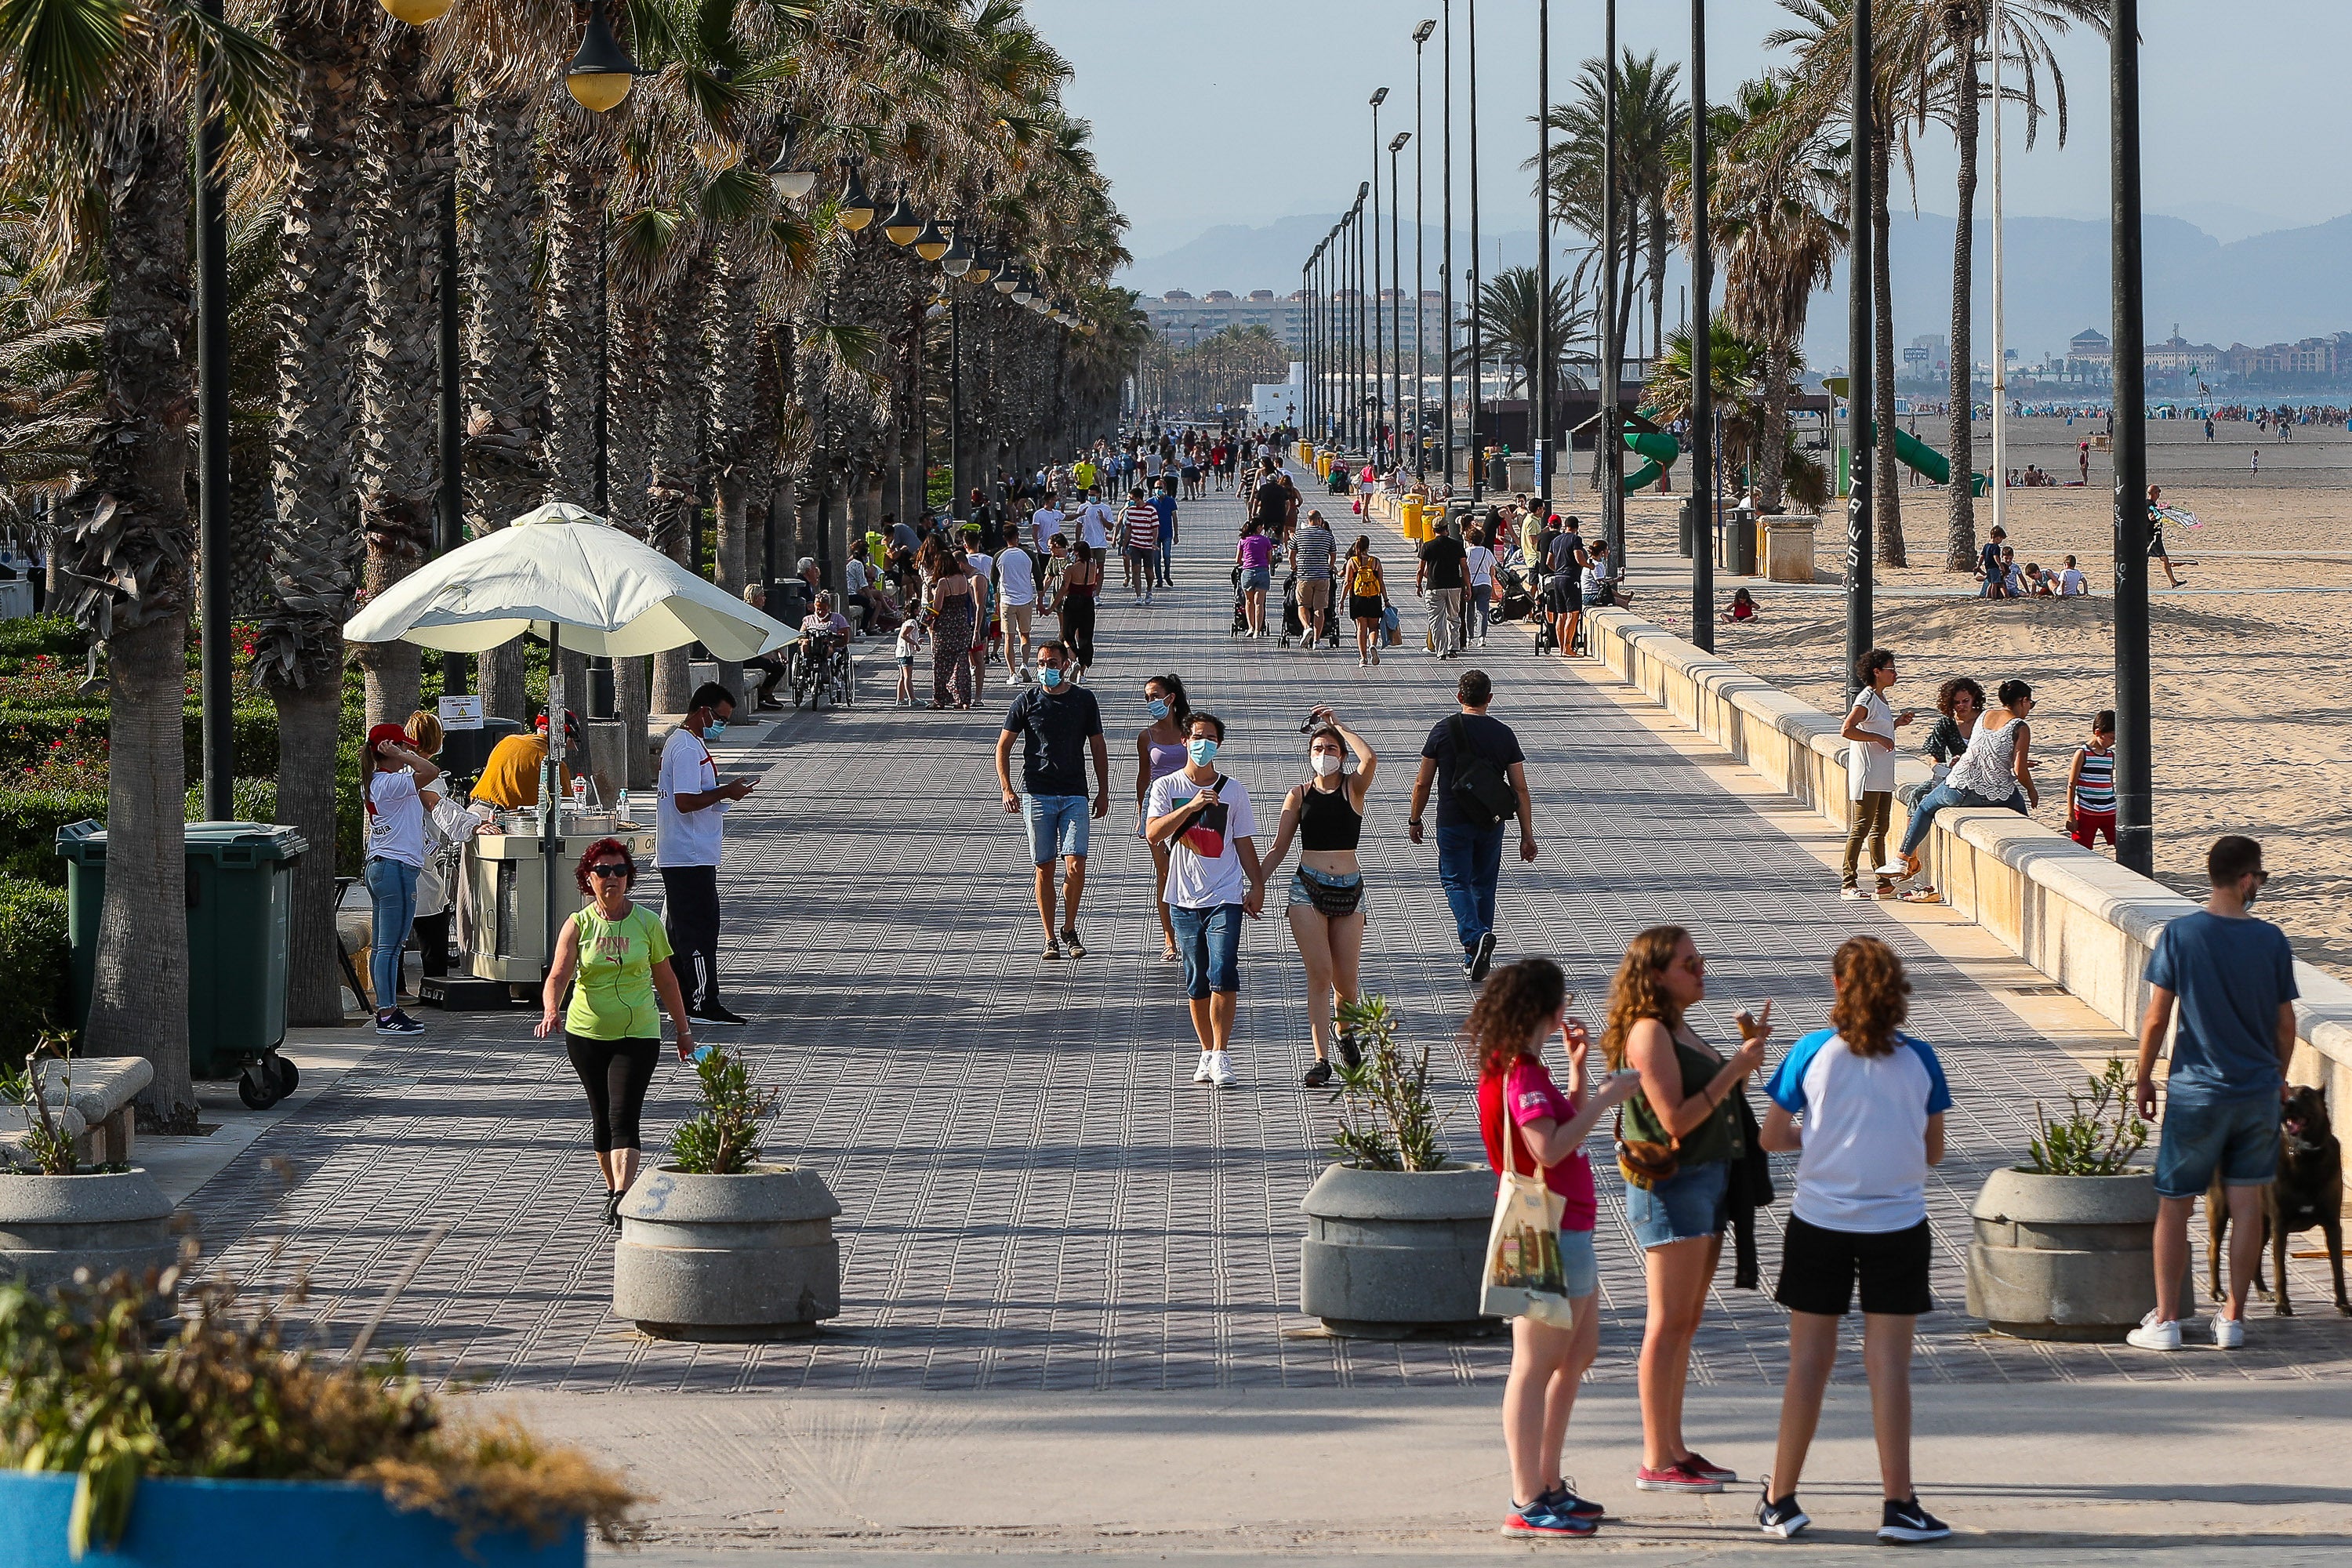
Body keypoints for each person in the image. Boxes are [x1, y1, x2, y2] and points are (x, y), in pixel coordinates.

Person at [1756, 936, 1953, 1544]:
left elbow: (1771, 1137)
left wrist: (1817, 1143)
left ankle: (1780, 1499)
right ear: (1897, 991)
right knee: (1889, 1364)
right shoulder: (1920, 1058)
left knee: (1808, 1364)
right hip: (1898, 1224)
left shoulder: (1812, 1051)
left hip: (1820, 1221)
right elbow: (1933, 1151)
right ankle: (1899, 1505)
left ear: (1838, 988)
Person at [1472, 958, 1643, 1537]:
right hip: (1542, 1231)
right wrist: (1603, 1098)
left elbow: (1551, 1128)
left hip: (1565, 1228)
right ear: (1546, 1010)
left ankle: (1547, 1480)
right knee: (1535, 1364)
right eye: (1562, 1003)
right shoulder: (1518, 1074)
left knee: (1578, 1352)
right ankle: (1527, 1496)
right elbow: (1546, 1149)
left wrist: (1575, 1077)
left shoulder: (1523, 1069)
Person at [1602, 925, 1770, 1494]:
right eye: (1687, 964)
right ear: (1654, 976)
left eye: (1699, 960)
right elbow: (1674, 1119)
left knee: (1685, 1321)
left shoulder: (1679, 1024)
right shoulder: (1648, 1032)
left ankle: (1675, 1447)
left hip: (1709, 1180)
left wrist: (1738, 1065)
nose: (1700, 970)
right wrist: (1736, 1069)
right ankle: (1655, 1457)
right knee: (1666, 1322)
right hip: (1674, 1186)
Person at [2127, 835, 2298, 1353]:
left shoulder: (2180, 936)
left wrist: (2142, 1075)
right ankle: (2233, 1319)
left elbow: (2157, 1017)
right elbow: (2285, 1025)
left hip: (2196, 1092)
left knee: (2175, 1206)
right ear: (2246, 879)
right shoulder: (2271, 941)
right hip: (2254, 1092)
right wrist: (2277, 1075)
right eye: (2260, 878)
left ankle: (2168, 1321)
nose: (2259, 886)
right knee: (2247, 1205)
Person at [535, 838, 695, 1230]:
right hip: (586, 1032)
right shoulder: (578, 924)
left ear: (629, 878)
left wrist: (683, 1028)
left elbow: (666, 979)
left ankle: (624, 1194)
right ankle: (612, 1189)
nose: (612, 878)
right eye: (603, 871)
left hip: (639, 1032)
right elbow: (558, 975)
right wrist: (551, 1009)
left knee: (625, 1112)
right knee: (602, 1116)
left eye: (620, 871)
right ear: (588, 879)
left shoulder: (647, 922)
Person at [1143, 711, 1266, 1091]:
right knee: (1196, 977)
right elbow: (1152, 832)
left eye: (1210, 738)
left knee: (1224, 971)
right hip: (1182, 896)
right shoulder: (1166, 786)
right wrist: (1191, 807)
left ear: (1219, 744)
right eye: (1197, 736)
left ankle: (1222, 1054)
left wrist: (1257, 884)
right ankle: (1206, 1050)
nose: (1203, 743)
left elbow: (1243, 841)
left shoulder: (1234, 791)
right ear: (1184, 741)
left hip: (1225, 894)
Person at [1257, 707, 1377, 1087]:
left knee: (1347, 980)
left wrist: (1339, 724)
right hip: (1307, 888)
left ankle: (1345, 1034)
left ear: (1342, 755)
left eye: (1331, 748)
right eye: (1317, 747)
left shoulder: (1352, 789)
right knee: (1320, 974)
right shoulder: (1298, 795)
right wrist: (1256, 884)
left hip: (1349, 890)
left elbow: (1370, 758)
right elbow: (1278, 847)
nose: (1323, 753)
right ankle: (1321, 1058)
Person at [1409, 668, 1537, 981]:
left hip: (1452, 820)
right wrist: (1526, 834)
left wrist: (1415, 818)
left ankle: (1474, 938)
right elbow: (1520, 787)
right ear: (1490, 699)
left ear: (1459, 697)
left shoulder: (1442, 730)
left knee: (1455, 881)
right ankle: (1475, 955)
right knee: (1484, 885)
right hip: (1491, 821)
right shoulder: (1504, 734)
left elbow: (1422, 782)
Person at [996, 641, 1111, 962]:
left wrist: (1103, 790)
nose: (1047, 668)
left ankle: (1070, 928)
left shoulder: (1084, 700)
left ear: (1065, 664)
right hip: (1038, 793)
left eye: (1053, 662)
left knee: (1076, 864)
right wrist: (1007, 788)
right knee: (1044, 868)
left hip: (1075, 792)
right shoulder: (1026, 701)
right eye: (1042, 662)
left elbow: (1098, 747)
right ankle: (1050, 937)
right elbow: (1003, 747)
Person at [656, 683, 756, 1025]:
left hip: (690, 852)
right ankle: (702, 1002)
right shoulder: (685, 747)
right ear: (702, 711)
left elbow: (693, 794)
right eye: (720, 718)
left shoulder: (689, 743)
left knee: (680, 929)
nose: (721, 725)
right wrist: (725, 791)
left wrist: (724, 793)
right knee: (698, 930)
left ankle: (682, 998)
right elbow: (684, 802)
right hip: (688, 854)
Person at [1884, 678, 2035, 889]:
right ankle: (2030, 859)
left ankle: (1903, 857)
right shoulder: (2020, 726)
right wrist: (2031, 790)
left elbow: (1984, 751)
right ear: (2024, 701)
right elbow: (2019, 771)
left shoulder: (1985, 716)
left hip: (1957, 785)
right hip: (1994, 790)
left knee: (1926, 806)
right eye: (2031, 704)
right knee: (2021, 813)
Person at [361, 722, 440, 1035]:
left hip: (382, 867)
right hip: (395, 869)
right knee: (390, 946)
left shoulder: (379, 782)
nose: (408, 751)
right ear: (387, 749)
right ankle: (387, 1013)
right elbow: (430, 769)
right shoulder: (390, 784)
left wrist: (400, 755)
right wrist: (402, 756)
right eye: (402, 747)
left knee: (383, 947)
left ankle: (386, 1009)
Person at [1839, 648, 1915, 901]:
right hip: (1868, 774)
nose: (1895, 674)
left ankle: (1882, 883)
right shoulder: (1866, 698)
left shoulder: (1880, 700)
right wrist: (1878, 737)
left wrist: (1896, 725)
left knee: (1880, 828)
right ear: (1877, 672)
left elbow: (1876, 726)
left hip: (1882, 774)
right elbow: (1847, 730)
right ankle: (1848, 883)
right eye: (1891, 669)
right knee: (1860, 827)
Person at [1134, 673, 1193, 963]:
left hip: (1190, 806)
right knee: (1166, 873)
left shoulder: (1191, 732)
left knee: (1192, 870)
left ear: (1170, 698)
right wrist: (1141, 814)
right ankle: (1170, 939)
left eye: (1155, 696)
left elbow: (1205, 769)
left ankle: (1193, 933)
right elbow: (1143, 777)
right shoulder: (1146, 736)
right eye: (1147, 698)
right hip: (1157, 809)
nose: (1150, 702)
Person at [470, 710, 579, 814]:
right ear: (564, 738)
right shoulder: (554, 763)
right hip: (497, 821)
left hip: (474, 811)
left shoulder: (509, 740)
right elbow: (565, 807)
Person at [924, 539, 980, 709]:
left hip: (945, 626)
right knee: (961, 662)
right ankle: (963, 699)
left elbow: (937, 607)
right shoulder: (963, 578)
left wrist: (932, 592)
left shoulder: (943, 582)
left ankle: (940, 698)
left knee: (941, 662)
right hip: (961, 623)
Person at [1417, 514, 1468, 658]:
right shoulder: (1457, 545)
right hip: (1454, 587)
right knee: (1454, 617)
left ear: (1434, 530)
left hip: (1434, 587)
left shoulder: (1427, 546)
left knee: (1436, 620)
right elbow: (1464, 567)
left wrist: (1418, 584)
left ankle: (1441, 652)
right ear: (1447, 529)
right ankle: (1453, 648)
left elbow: (1421, 569)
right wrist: (1468, 587)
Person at [2066, 709, 2118, 850]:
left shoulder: (2110, 755)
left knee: (2123, 844)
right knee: (2082, 848)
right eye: (2111, 737)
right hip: (2086, 810)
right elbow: (2072, 784)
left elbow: (2109, 781)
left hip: (2109, 809)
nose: (2113, 742)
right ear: (2098, 732)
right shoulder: (2083, 753)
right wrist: (2071, 814)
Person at [996, 521, 1039, 683]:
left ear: (1004, 538)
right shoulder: (1028, 554)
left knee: (1009, 637)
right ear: (1017, 537)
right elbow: (1038, 577)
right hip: (1026, 599)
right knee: (1025, 635)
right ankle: (1025, 664)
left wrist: (995, 603)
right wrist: (1040, 598)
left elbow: (993, 581)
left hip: (1007, 600)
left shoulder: (999, 556)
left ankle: (1012, 673)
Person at [1292, 507, 1337, 648]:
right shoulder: (1328, 536)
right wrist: (1328, 568)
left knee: (1303, 605)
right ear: (1319, 520)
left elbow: (1291, 554)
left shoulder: (1299, 535)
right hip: (1322, 577)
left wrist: (1294, 567)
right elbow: (1333, 556)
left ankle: (1306, 628)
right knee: (1319, 609)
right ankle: (1317, 641)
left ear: (1308, 520)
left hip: (1304, 575)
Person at [1544, 517, 1589, 655]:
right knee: (1573, 613)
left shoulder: (1556, 540)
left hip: (1557, 579)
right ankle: (1568, 648)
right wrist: (1589, 565)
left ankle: (1561, 648)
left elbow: (1548, 562)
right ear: (1577, 527)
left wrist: (1557, 570)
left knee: (1561, 615)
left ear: (1565, 526)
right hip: (1571, 579)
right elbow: (1579, 558)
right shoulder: (1575, 539)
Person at [1345, 535, 1386, 666]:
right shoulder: (1375, 562)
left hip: (1358, 598)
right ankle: (1372, 645)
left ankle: (1363, 658)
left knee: (1361, 628)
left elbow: (1347, 583)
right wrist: (1386, 599)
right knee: (1374, 627)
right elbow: (1381, 582)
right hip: (1374, 598)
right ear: (1368, 546)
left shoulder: (1352, 562)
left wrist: (1341, 600)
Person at [1060, 539, 1102, 670]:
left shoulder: (1071, 568)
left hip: (1072, 602)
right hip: (1088, 603)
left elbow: (1065, 589)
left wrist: (1051, 607)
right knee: (1086, 637)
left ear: (1077, 552)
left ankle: (1073, 657)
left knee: (1067, 634)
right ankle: (1082, 670)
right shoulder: (1093, 565)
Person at [1234, 521, 1275, 637]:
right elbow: (1270, 558)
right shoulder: (1265, 540)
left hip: (1248, 573)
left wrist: (1247, 562)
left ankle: (1250, 627)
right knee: (1259, 603)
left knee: (1248, 601)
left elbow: (1238, 559)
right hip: (1262, 572)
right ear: (1258, 528)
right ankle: (1258, 630)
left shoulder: (1243, 540)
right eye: (1262, 526)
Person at [1122, 487, 1160, 603]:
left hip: (1148, 545)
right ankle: (1138, 596)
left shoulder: (1151, 510)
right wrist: (1125, 544)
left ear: (1138, 499)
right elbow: (1128, 529)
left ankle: (1149, 590)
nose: (1131, 501)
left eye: (1132, 499)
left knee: (1149, 571)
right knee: (1136, 569)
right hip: (1135, 544)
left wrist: (1153, 541)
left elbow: (1155, 528)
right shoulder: (1130, 511)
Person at [1465, 524, 1497, 648]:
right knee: (1483, 611)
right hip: (1485, 583)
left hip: (1470, 583)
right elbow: (1492, 571)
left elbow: (1463, 568)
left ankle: (1469, 637)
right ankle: (1482, 637)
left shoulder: (1466, 552)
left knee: (1470, 611)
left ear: (1469, 540)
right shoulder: (1487, 552)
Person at [2147, 484, 2184, 587]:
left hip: (2150, 537)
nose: (2159, 494)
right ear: (2154, 493)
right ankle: (2174, 582)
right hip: (2152, 538)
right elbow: (2151, 517)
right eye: (2159, 492)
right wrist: (2160, 510)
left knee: (2152, 559)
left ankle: (2174, 582)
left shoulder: (2151, 504)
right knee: (2164, 559)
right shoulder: (2149, 505)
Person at [892, 614, 926, 708]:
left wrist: (917, 640)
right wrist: (915, 643)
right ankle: (912, 699)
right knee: (908, 677)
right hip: (906, 654)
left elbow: (908, 636)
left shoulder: (907, 622)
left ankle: (900, 698)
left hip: (900, 653)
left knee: (902, 677)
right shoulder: (912, 622)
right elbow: (904, 635)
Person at [1151, 479, 1178, 588]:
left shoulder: (1170, 501)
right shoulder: (1150, 502)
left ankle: (1167, 574)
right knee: (1156, 558)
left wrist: (1176, 534)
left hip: (1167, 533)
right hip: (1155, 535)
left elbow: (1175, 518)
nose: (1158, 490)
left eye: (1160, 488)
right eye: (1156, 488)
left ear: (1165, 488)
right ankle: (1159, 579)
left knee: (1167, 556)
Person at [1976, 524, 2009, 599]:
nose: (2001, 542)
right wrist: (2000, 565)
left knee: (1990, 583)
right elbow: (1996, 557)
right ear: (1998, 538)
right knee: (1994, 584)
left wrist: (1979, 566)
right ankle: (1993, 597)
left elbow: (1982, 556)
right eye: (2001, 540)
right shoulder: (1995, 547)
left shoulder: (1986, 546)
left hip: (1987, 567)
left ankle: (1988, 596)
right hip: (1994, 567)